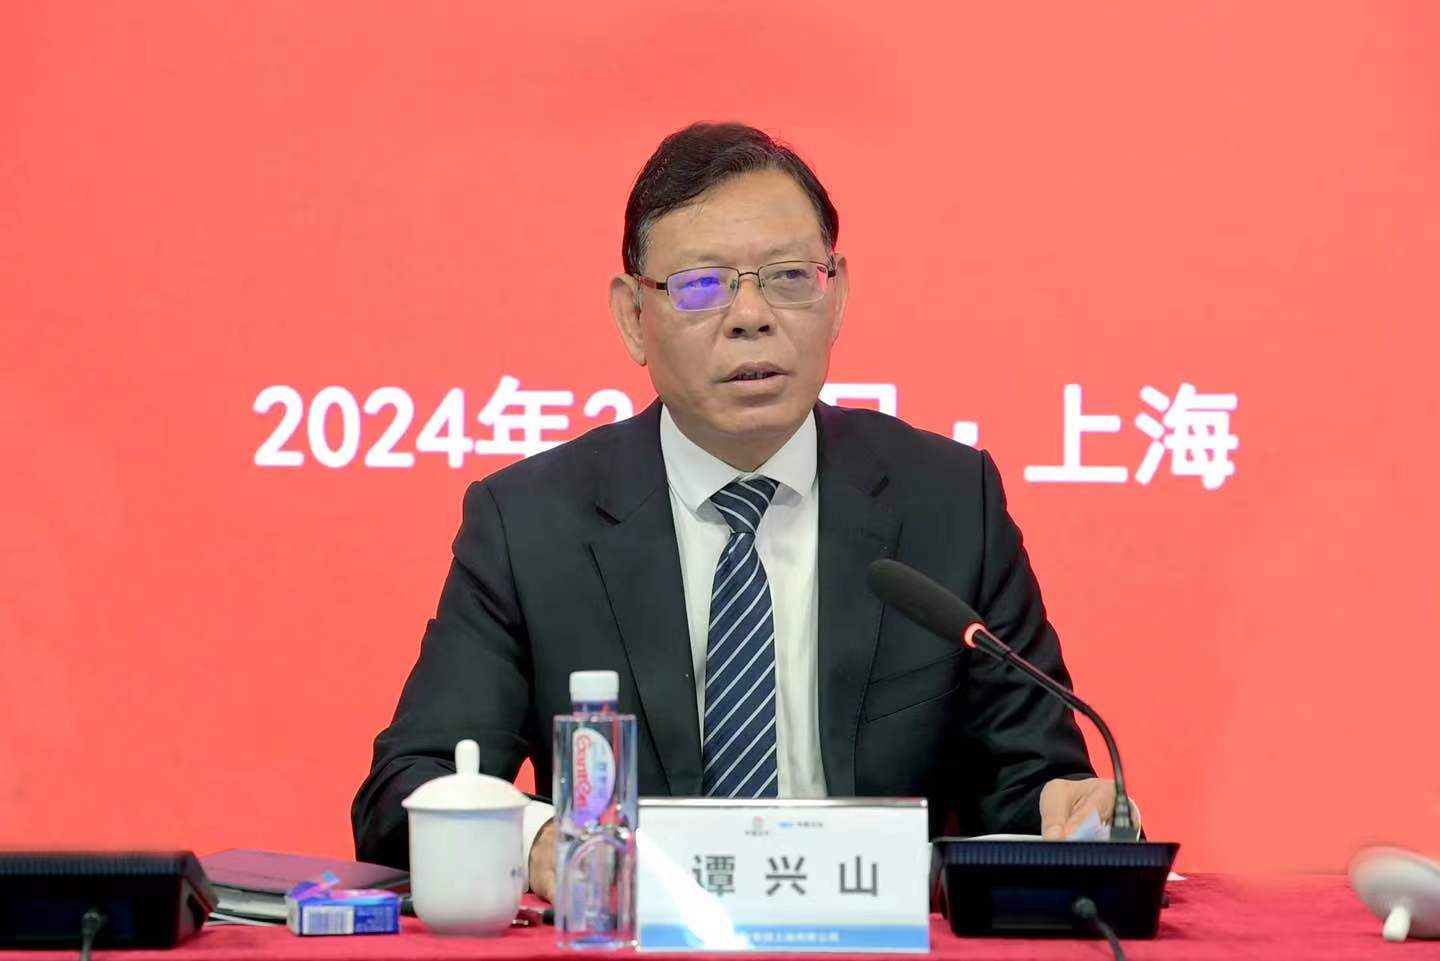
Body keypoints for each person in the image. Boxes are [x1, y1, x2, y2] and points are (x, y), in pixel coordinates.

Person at [353, 122, 1119, 900]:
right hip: (639, 941)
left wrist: (1067, 806)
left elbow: (1032, 779)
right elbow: (407, 787)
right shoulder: (531, 524)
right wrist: (550, 843)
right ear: (632, 316)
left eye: (788, 277)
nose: (751, 315)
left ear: (837, 294)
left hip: (875, 941)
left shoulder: (950, 504)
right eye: (701, 285)